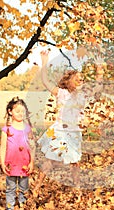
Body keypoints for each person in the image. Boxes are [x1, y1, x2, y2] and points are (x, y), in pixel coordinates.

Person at [33, 50, 86, 196]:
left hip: (74, 133)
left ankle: (77, 190)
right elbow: (45, 81)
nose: (80, 81)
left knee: (75, 162)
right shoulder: (61, 93)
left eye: (81, 79)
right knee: (50, 160)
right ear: (68, 81)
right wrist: (44, 61)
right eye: (77, 79)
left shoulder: (81, 96)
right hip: (60, 132)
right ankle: (37, 187)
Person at [0, 97, 35, 210]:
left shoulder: (27, 129)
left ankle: (23, 207)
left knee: (24, 187)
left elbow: (32, 146)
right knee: (11, 187)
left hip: (24, 163)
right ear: (10, 112)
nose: (20, 114)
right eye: (17, 111)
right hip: (11, 163)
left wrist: (32, 162)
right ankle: (9, 208)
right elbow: (3, 147)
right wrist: (2, 163)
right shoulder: (7, 130)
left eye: (22, 111)